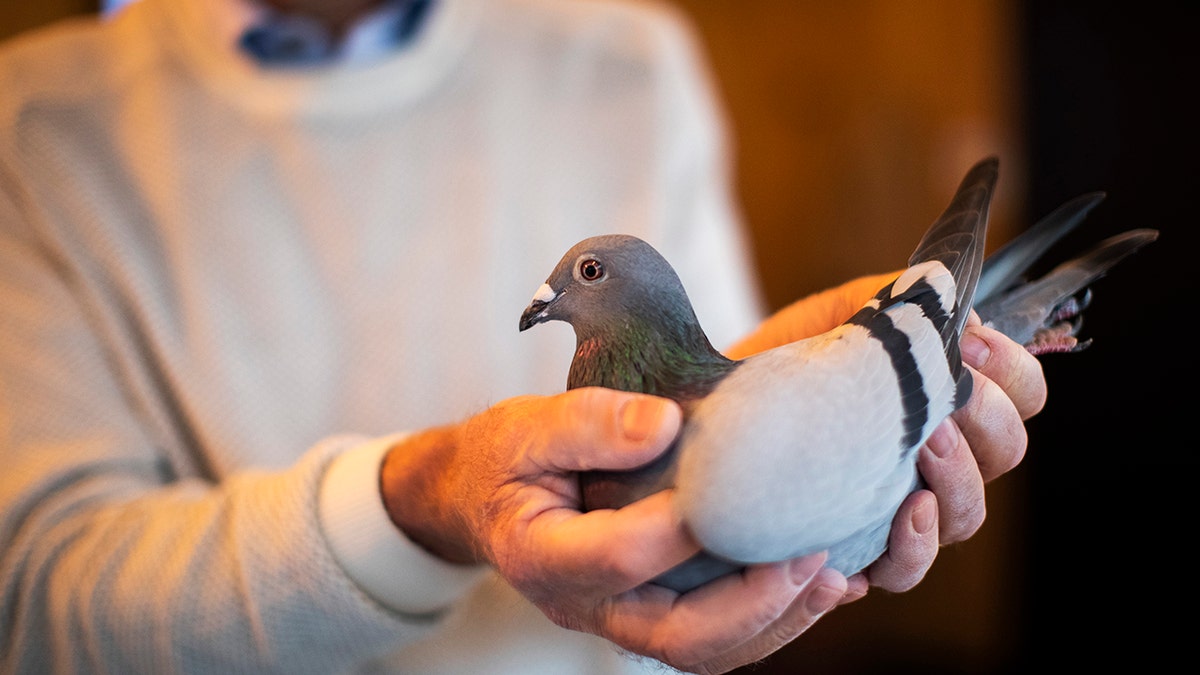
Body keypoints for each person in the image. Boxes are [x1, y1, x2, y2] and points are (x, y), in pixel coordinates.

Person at [0, 0, 1045, 673]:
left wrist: (823, 441)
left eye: (579, 279)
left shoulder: (634, 59)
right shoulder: (34, 121)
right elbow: (36, 599)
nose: (549, 295)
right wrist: (422, 504)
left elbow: (733, 380)